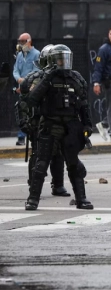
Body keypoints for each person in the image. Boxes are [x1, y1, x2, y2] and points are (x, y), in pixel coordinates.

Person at [25, 45, 93, 211]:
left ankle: (81, 199)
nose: (63, 62)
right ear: (52, 61)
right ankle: (33, 200)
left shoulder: (75, 78)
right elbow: (32, 100)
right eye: (60, 59)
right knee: (41, 164)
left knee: (73, 164)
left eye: (65, 58)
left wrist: (87, 124)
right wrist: (47, 78)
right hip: (50, 125)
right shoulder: (45, 78)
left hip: (70, 127)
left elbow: (84, 104)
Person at [18, 45, 70, 198]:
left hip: (57, 120)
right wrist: (24, 122)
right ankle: (34, 185)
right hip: (38, 122)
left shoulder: (67, 77)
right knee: (39, 154)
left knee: (58, 153)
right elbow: (23, 103)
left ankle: (58, 185)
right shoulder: (33, 78)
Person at [13, 33, 40, 146]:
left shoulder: (36, 54)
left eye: (23, 41)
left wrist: (26, 83)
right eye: (20, 41)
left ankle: (32, 135)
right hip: (22, 87)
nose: (21, 44)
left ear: (29, 41)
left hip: (32, 88)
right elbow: (15, 70)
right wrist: (19, 80)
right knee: (22, 111)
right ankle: (21, 136)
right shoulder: (20, 55)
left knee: (31, 112)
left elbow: (36, 71)